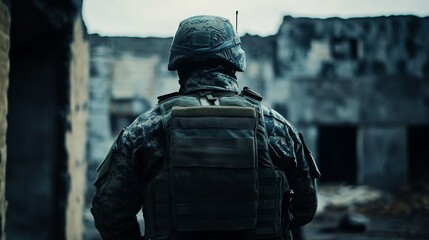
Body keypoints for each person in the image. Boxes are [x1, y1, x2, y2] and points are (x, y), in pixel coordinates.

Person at [91, 15, 320, 240]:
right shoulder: (277, 127)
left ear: (179, 66)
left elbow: (109, 213)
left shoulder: (145, 130)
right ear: (235, 62)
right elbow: (305, 207)